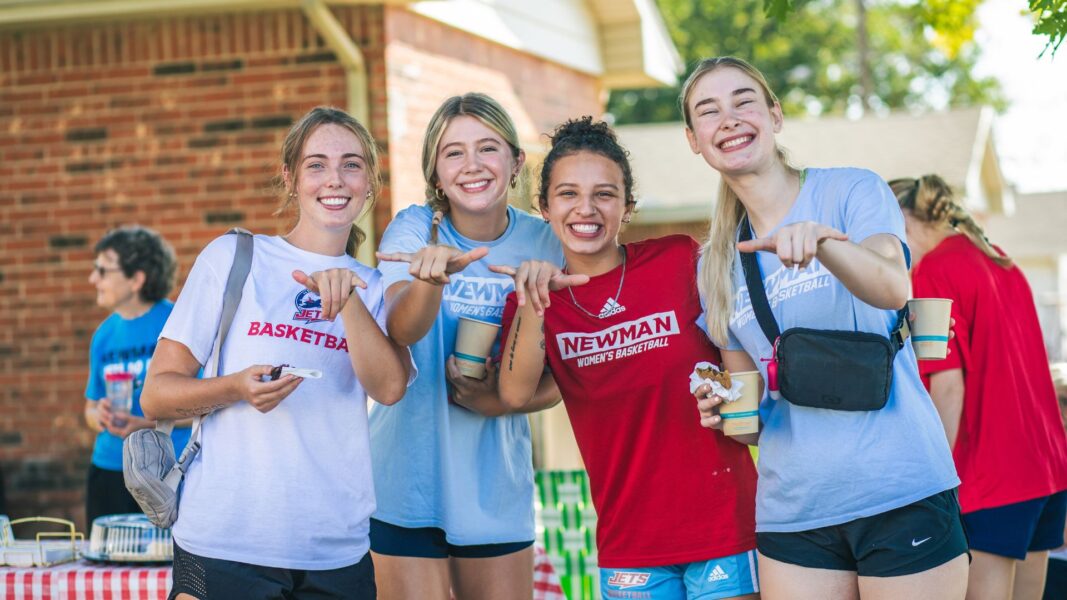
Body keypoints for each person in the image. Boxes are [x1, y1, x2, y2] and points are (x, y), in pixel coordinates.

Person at [685, 57, 968, 599]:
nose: (729, 118)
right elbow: (751, 419)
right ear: (694, 139)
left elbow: (892, 286)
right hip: (793, 514)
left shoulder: (851, 192)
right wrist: (719, 407)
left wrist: (826, 243)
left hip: (899, 488)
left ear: (775, 114)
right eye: (708, 110)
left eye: (744, 101)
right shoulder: (714, 263)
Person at [141, 106, 412, 599]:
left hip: (336, 551)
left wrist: (347, 299)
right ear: (290, 178)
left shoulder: (376, 287)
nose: (335, 178)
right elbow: (156, 396)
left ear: (369, 182)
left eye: (352, 164)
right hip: (223, 541)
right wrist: (236, 388)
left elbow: (390, 388)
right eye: (316, 164)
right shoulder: (235, 258)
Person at [493, 116, 760, 599]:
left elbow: (740, 352)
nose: (586, 208)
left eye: (605, 194)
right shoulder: (534, 301)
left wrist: (726, 395)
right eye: (568, 194)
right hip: (628, 540)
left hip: (723, 521)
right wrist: (535, 299)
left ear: (628, 206)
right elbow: (513, 394)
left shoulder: (679, 260)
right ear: (545, 207)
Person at [370, 92, 564, 600]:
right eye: (453, 152)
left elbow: (568, 377)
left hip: (495, 485)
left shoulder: (547, 244)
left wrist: (496, 401)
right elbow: (401, 330)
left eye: (488, 148)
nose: (472, 165)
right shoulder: (416, 229)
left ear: (516, 162)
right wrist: (432, 279)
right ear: (435, 172)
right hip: (405, 481)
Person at [891, 175, 1067, 600]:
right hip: (1046, 469)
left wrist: (931, 484)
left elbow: (948, 389)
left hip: (991, 477)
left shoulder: (932, 270)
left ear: (903, 224)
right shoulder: (998, 258)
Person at [83, 225, 191, 526]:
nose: (93, 279)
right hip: (108, 469)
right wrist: (99, 415)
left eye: (102, 271)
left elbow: (207, 403)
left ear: (136, 279)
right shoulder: (103, 335)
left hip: (165, 471)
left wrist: (144, 425)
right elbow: (90, 409)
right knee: (105, 569)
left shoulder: (178, 322)